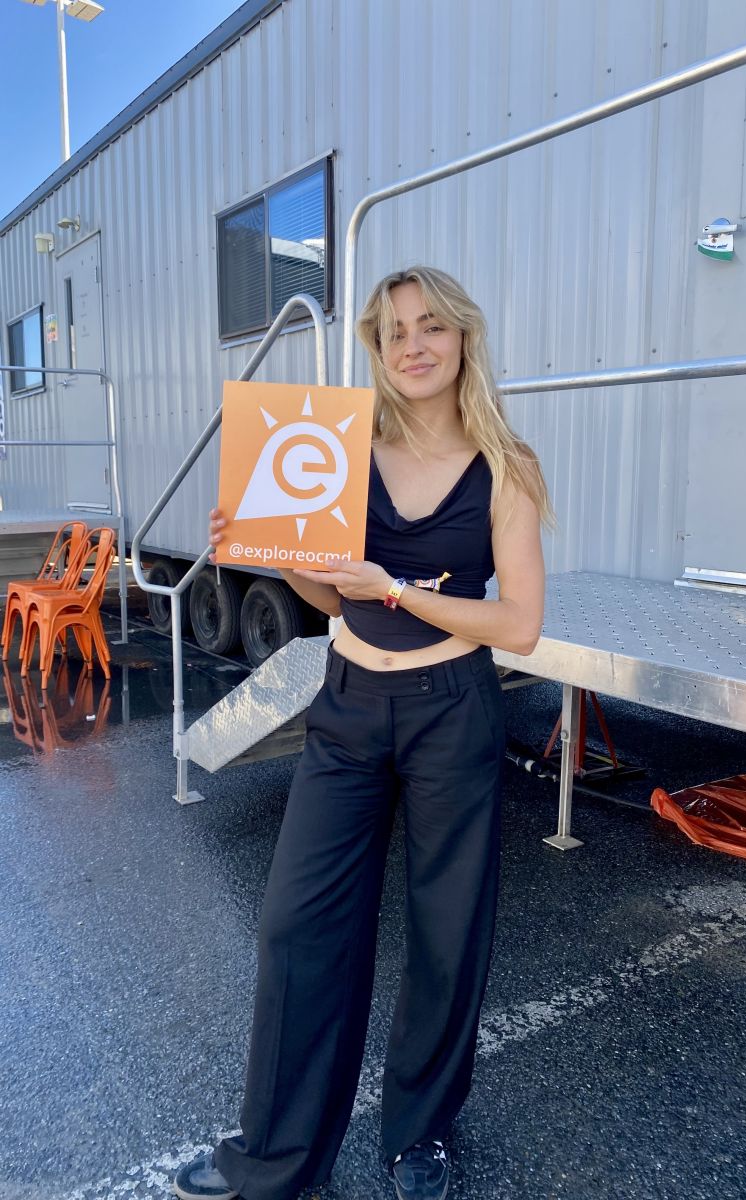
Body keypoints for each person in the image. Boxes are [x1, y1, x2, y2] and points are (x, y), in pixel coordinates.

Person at [174, 266, 552, 1200]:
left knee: (447, 930)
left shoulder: (506, 465)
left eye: (431, 326)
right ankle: (278, 1153)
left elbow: (518, 625)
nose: (413, 345)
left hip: (452, 708)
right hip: (347, 704)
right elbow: (329, 596)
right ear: (377, 351)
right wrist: (265, 546)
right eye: (393, 332)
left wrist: (397, 589)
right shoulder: (346, 450)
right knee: (298, 924)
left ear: (463, 337)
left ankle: (420, 1135)